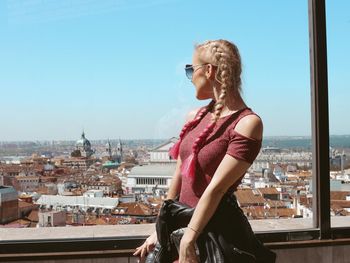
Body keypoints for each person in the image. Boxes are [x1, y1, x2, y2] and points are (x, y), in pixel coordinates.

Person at [134, 39, 275, 263]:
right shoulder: (195, 116)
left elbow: (216, 189)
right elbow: (180, 173)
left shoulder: (247, 123)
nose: (190, 78)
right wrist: (160, 230)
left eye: (191, 70)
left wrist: (190, 237)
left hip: (215, 234)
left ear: (209, 71)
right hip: (185, 230)